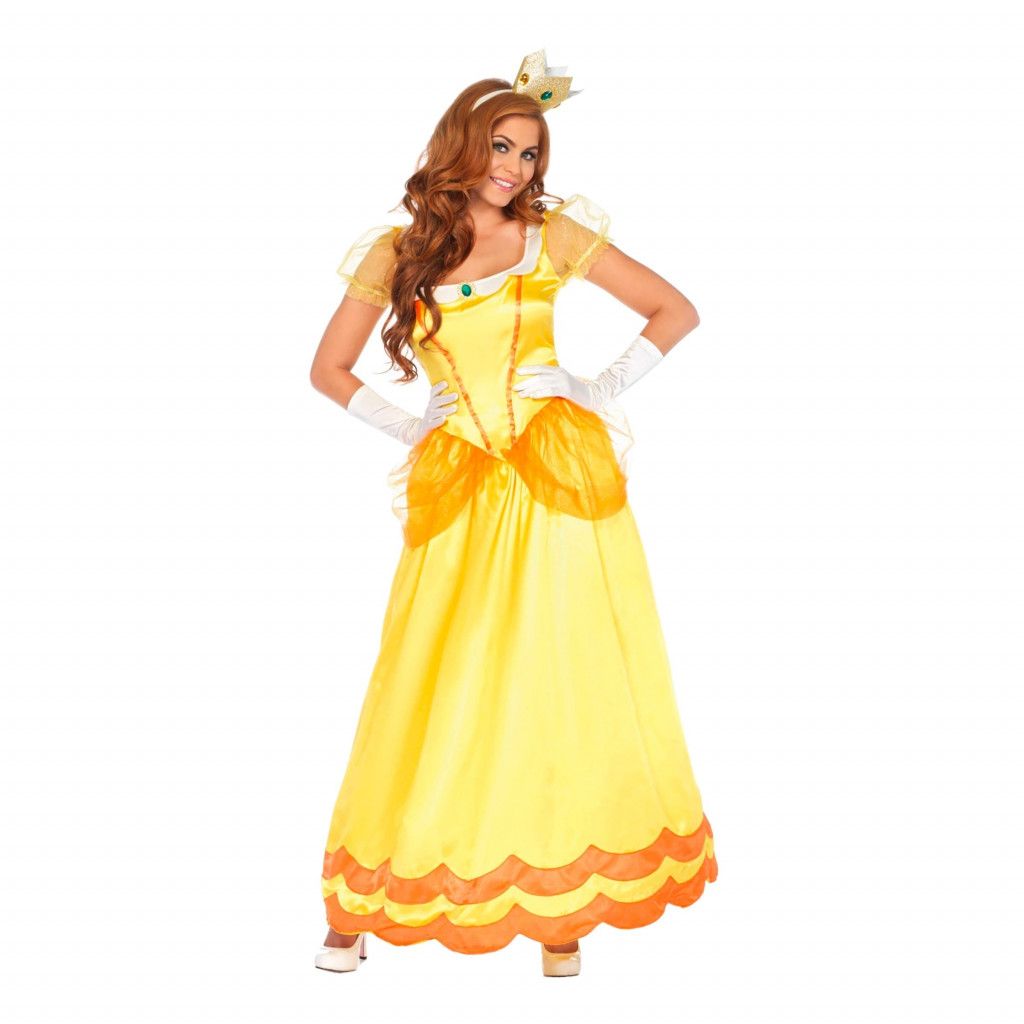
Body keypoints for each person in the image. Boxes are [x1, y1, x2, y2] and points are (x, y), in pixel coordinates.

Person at [308, 50, 717, 978]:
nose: (515, 167)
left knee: (559, 679)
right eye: (501, 146)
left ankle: (557, 903)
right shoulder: (397, 252)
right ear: (461, 143)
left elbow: (674, 310)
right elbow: (327, 370)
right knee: (428, 677)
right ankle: (362, 901)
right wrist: (413, 425)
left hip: (554, 481)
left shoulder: (550, 236)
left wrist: (591, 388)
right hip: (461, 483)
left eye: (530, 153)